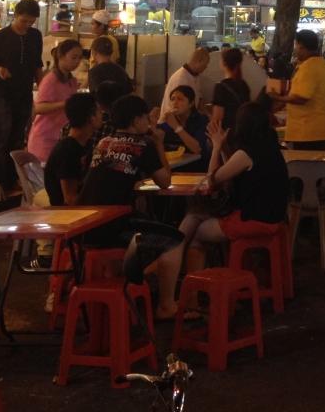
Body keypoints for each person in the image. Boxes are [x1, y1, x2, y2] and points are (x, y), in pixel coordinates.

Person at [155, 103, 289, 320]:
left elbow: (212, 180)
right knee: (194, 219)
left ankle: (191, 302)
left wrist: (217, 146)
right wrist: (223, 145)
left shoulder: (247, 153)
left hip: (254, 219)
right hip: (272, 215)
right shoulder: (269, 147)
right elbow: (232, 171)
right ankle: (185, 296)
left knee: (195, 233)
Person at [78, 94, 171, 248]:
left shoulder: (103, 142)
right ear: (136, 120)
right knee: (175, 242)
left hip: (84, 223)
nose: (148, 122)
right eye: (146, 118)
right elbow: (165, 182)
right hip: (113, 224)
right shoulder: (143, 144)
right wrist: (159, 143)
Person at [0, 0, 44, 192]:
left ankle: (11, 177)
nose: (27, 25)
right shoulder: (1, 36)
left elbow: (37, 65)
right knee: (3, 132)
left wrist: (43, 87)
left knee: (18, 135)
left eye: (31, 22)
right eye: (24, 21)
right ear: (15, 15)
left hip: (23, 92)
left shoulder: (35, 36)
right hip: (1, 91)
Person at [273, 30, 325, 150]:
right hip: (320, 128)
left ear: (301, 46)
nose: (295, 49)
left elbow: (301, 98)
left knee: (304, 161)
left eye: (295, 45)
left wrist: (276, 97)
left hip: (306, 130)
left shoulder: (308, 67)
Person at [26, 38, 84, 165]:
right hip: (45, 138)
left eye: (80, 58)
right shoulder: (51, 79)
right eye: (73, 57)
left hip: (60, 136)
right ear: (61, 56)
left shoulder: (71, 80)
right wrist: (66, 103)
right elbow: (38, 108)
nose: (77, 61)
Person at [44, 92, 98, 206]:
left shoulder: (85, 144)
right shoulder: (68, 151)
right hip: (66, 213)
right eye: (99, 112)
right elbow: (70, 199)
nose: (102, 115)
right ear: (92, 118)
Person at [159, 84, 211, 171]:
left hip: (196, 169)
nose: (175, 103)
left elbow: (198, 149)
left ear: (191, 103)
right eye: (172, 99)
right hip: (174, 168)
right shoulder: (168, 122)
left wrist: (177, 127)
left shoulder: (201, 120)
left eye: (180, 99)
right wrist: (152, 125)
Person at [160, 48, 211, 119]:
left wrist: (207, 114)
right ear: (199, 61)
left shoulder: (195, 75)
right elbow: (176, 108)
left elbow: (199, 98)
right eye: (205, 64)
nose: (206, 67)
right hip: (173, 121)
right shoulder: (181, 78)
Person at [210, 47, 251, 130]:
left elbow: (217, 120)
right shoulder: (244, 84)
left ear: (224, 63)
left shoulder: (220, 87)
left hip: (227, 132)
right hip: (242, 130)